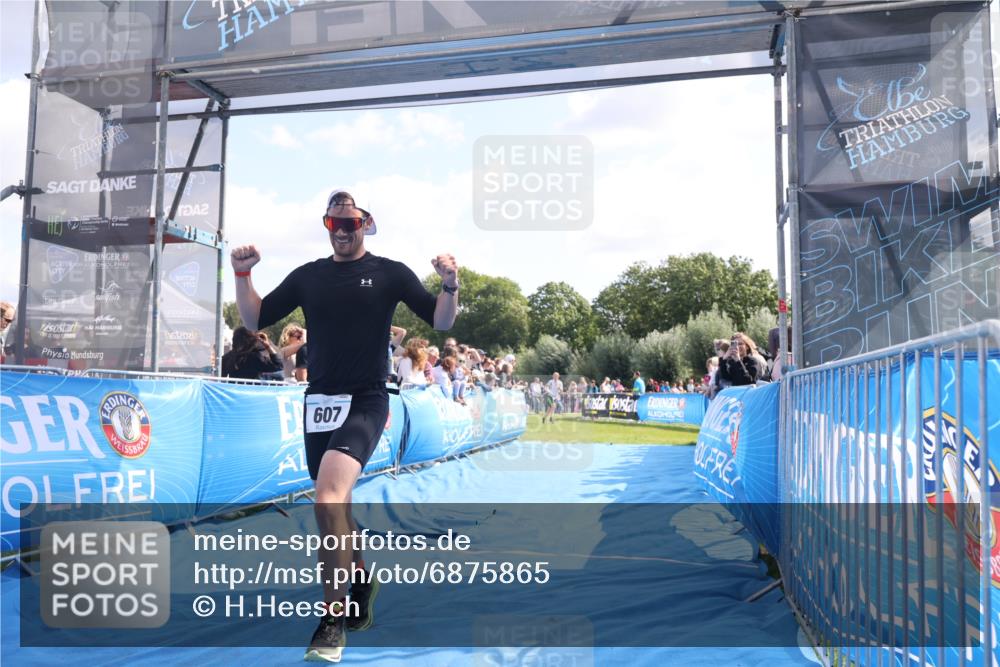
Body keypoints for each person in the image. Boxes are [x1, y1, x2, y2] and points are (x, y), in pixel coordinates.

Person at [230, 188, 459, 663]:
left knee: (327, 498)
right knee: (339, 506)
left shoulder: (389, 272)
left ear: (366, 224)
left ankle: (331, 620)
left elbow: (440, 319)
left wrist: (450, 284)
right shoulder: (309, 276)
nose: (342, 232)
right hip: (319, 402)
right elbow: (254, 316)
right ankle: (360, 578)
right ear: (327, 227)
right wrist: (242, 273)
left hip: (367, 400)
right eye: (334, 224)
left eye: (350, 224)